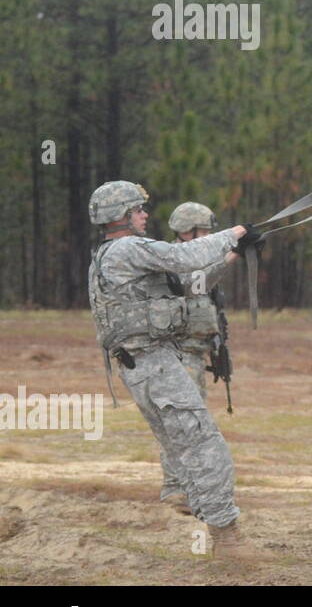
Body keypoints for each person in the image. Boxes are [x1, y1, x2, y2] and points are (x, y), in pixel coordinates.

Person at [87, 181, 262, 559]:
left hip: (145, 366)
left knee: (184, 446)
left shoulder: (112, 253)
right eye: (138, 210)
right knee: (203, 444)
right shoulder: (128, 248)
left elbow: (189, 283)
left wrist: (233, 254)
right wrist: (234, 233)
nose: (145, 215)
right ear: (121, 216)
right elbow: (184, 258)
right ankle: (227, 541)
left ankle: (214, 526)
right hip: (154, 364)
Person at [160, 201, 232, 514]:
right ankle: (176, 488)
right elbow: (195, 284)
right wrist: (233, 254)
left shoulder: (191, 257)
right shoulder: (172, 258)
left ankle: (186, 487)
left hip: (193, 350)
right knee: (182, 423)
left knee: (191, 423)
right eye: (204, 231)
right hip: (177, 352)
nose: (208, 236)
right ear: (188, 231)